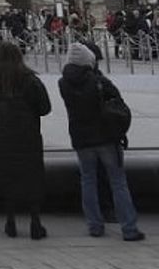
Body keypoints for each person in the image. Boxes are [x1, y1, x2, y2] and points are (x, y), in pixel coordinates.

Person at [58, 42, 146, 241]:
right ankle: (129, 228)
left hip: (81, 139)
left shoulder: (63, 83)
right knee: (118, 182)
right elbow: (118, 102)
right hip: (106, 138)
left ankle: (94, 225)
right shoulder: (98, 81)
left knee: (87, 181)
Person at [0, 41, 51, 239]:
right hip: (27, 130)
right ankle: (35, 221)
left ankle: (10, 220)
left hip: (2, 129)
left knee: (6, 172)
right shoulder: (29, 78)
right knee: (32, 173)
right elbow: (45, 107)